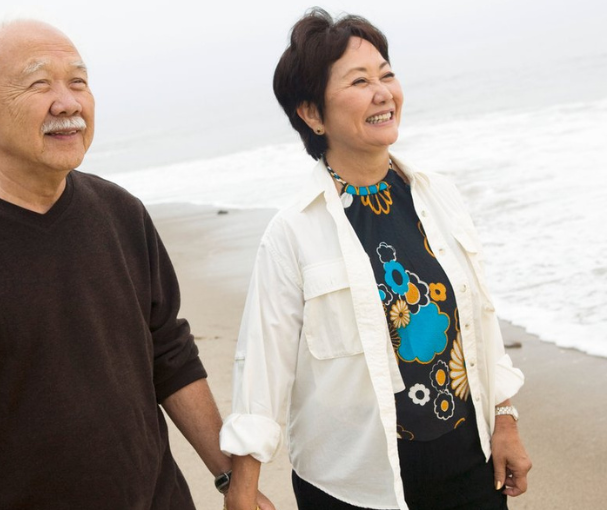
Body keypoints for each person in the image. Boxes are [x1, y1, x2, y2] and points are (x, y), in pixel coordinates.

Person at [0, 17, 272, 510]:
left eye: (78, 81)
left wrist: (234, 482)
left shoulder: (121, 213)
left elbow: (168, 353)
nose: (69, 103)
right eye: (40, 83)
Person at [220, 9, 531, 510]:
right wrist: (242, 487)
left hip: (467, 464)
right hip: (352, 483)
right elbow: (261, 367)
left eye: (386, 74)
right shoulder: (293, 232)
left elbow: (480, 318)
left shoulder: (440, 197)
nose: (383, 92)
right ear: (313, 114)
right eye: (359, 81)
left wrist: (506, 419)